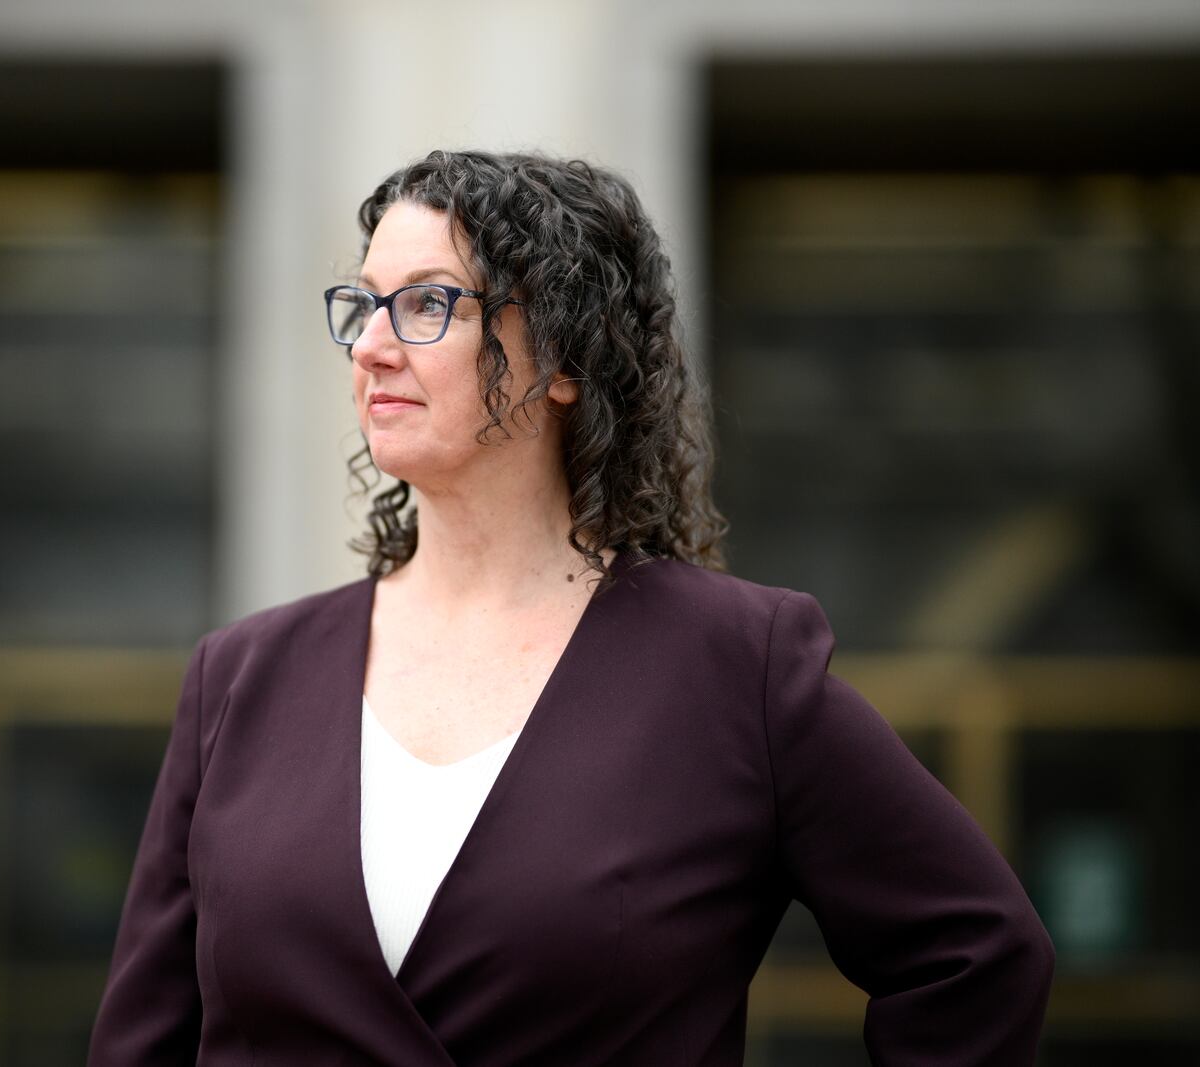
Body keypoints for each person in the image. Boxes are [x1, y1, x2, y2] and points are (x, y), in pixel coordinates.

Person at [87, 150, 1054, 1066]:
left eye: (426, 304)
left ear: (562, 359)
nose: (373, 347)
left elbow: (974, 954)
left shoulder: (733, 666)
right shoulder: (241, 676)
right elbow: (143, 1041)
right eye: (363, 306)